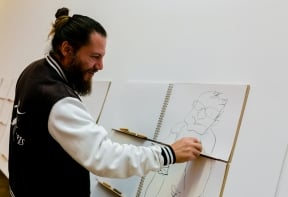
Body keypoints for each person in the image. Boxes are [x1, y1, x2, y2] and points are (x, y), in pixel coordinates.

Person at [8, 7, 202, 197]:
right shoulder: (59, 101)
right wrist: (169, 153)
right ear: (67, 49)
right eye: (95, 57)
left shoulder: (33, 71)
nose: (100, 66)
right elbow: (106, 157)